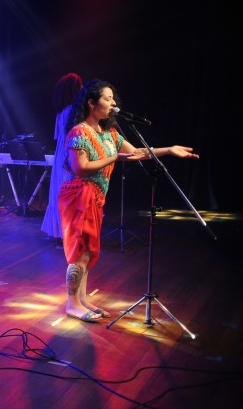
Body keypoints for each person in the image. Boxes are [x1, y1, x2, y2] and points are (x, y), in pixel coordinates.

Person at [59, 79, 199, 323]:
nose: (113, 103)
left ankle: (82, 299)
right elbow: (80, 167)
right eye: (107, 99)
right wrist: (115, 158)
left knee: (89, 250)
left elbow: (136, 153)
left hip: (96, 196)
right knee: (79, 249)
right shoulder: (79, 131)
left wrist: (168, 150)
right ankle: (72, 304)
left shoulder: (110, 133)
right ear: (91, 103)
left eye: (113, 98)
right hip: (79, 195)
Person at [41, 73, 83, 240]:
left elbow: (58, 136)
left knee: (60, 192)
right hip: (70, 154)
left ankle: (60, 232)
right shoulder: (73, 111)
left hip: (62, 154)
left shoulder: (62, 111)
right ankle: (69, 234)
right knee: (69, 193)